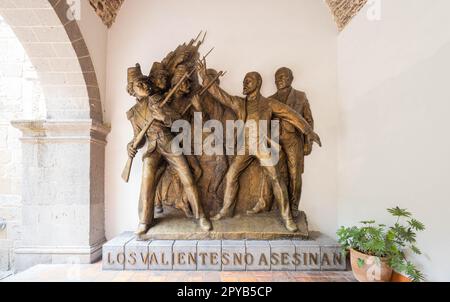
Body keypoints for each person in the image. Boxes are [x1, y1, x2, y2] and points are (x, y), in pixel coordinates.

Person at [197, 61, 321, 232]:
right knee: (231, 175)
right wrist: (204, 77)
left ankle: (287, 217)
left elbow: (291, 115)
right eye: (244, 81)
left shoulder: (269, 103)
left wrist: (309, 132)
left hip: (262, 146)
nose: (244, 84)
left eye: (248, 81)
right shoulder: (239, 103)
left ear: (257, 83)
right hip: (245, 146)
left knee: (276, 178)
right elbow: (220, 95)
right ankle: (226, 211)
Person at [126, 63, 212, 235]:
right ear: (132, 90)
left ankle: (201, 216)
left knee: (187, 176)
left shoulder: (159, 99)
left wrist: (164, 117)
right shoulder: (133, 113)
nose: (143, 86)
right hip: (151, 148)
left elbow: (180, 122)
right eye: (138, 85)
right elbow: (138, 137)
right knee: (147, 182)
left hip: (169, 143)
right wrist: (130, 146)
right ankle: (145, 221)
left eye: (143, 82)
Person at [248, 67, 315, 217]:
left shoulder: (300, 96)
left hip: (293, 140)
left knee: (294, 174)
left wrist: (307, 142)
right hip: (274, 141)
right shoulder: (270, 99)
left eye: (283, 77)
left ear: (291, 79)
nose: (279, 80)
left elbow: (308, 120)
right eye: (277, 78)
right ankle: (265, 203)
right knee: (270, 171)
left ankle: (294, 207)